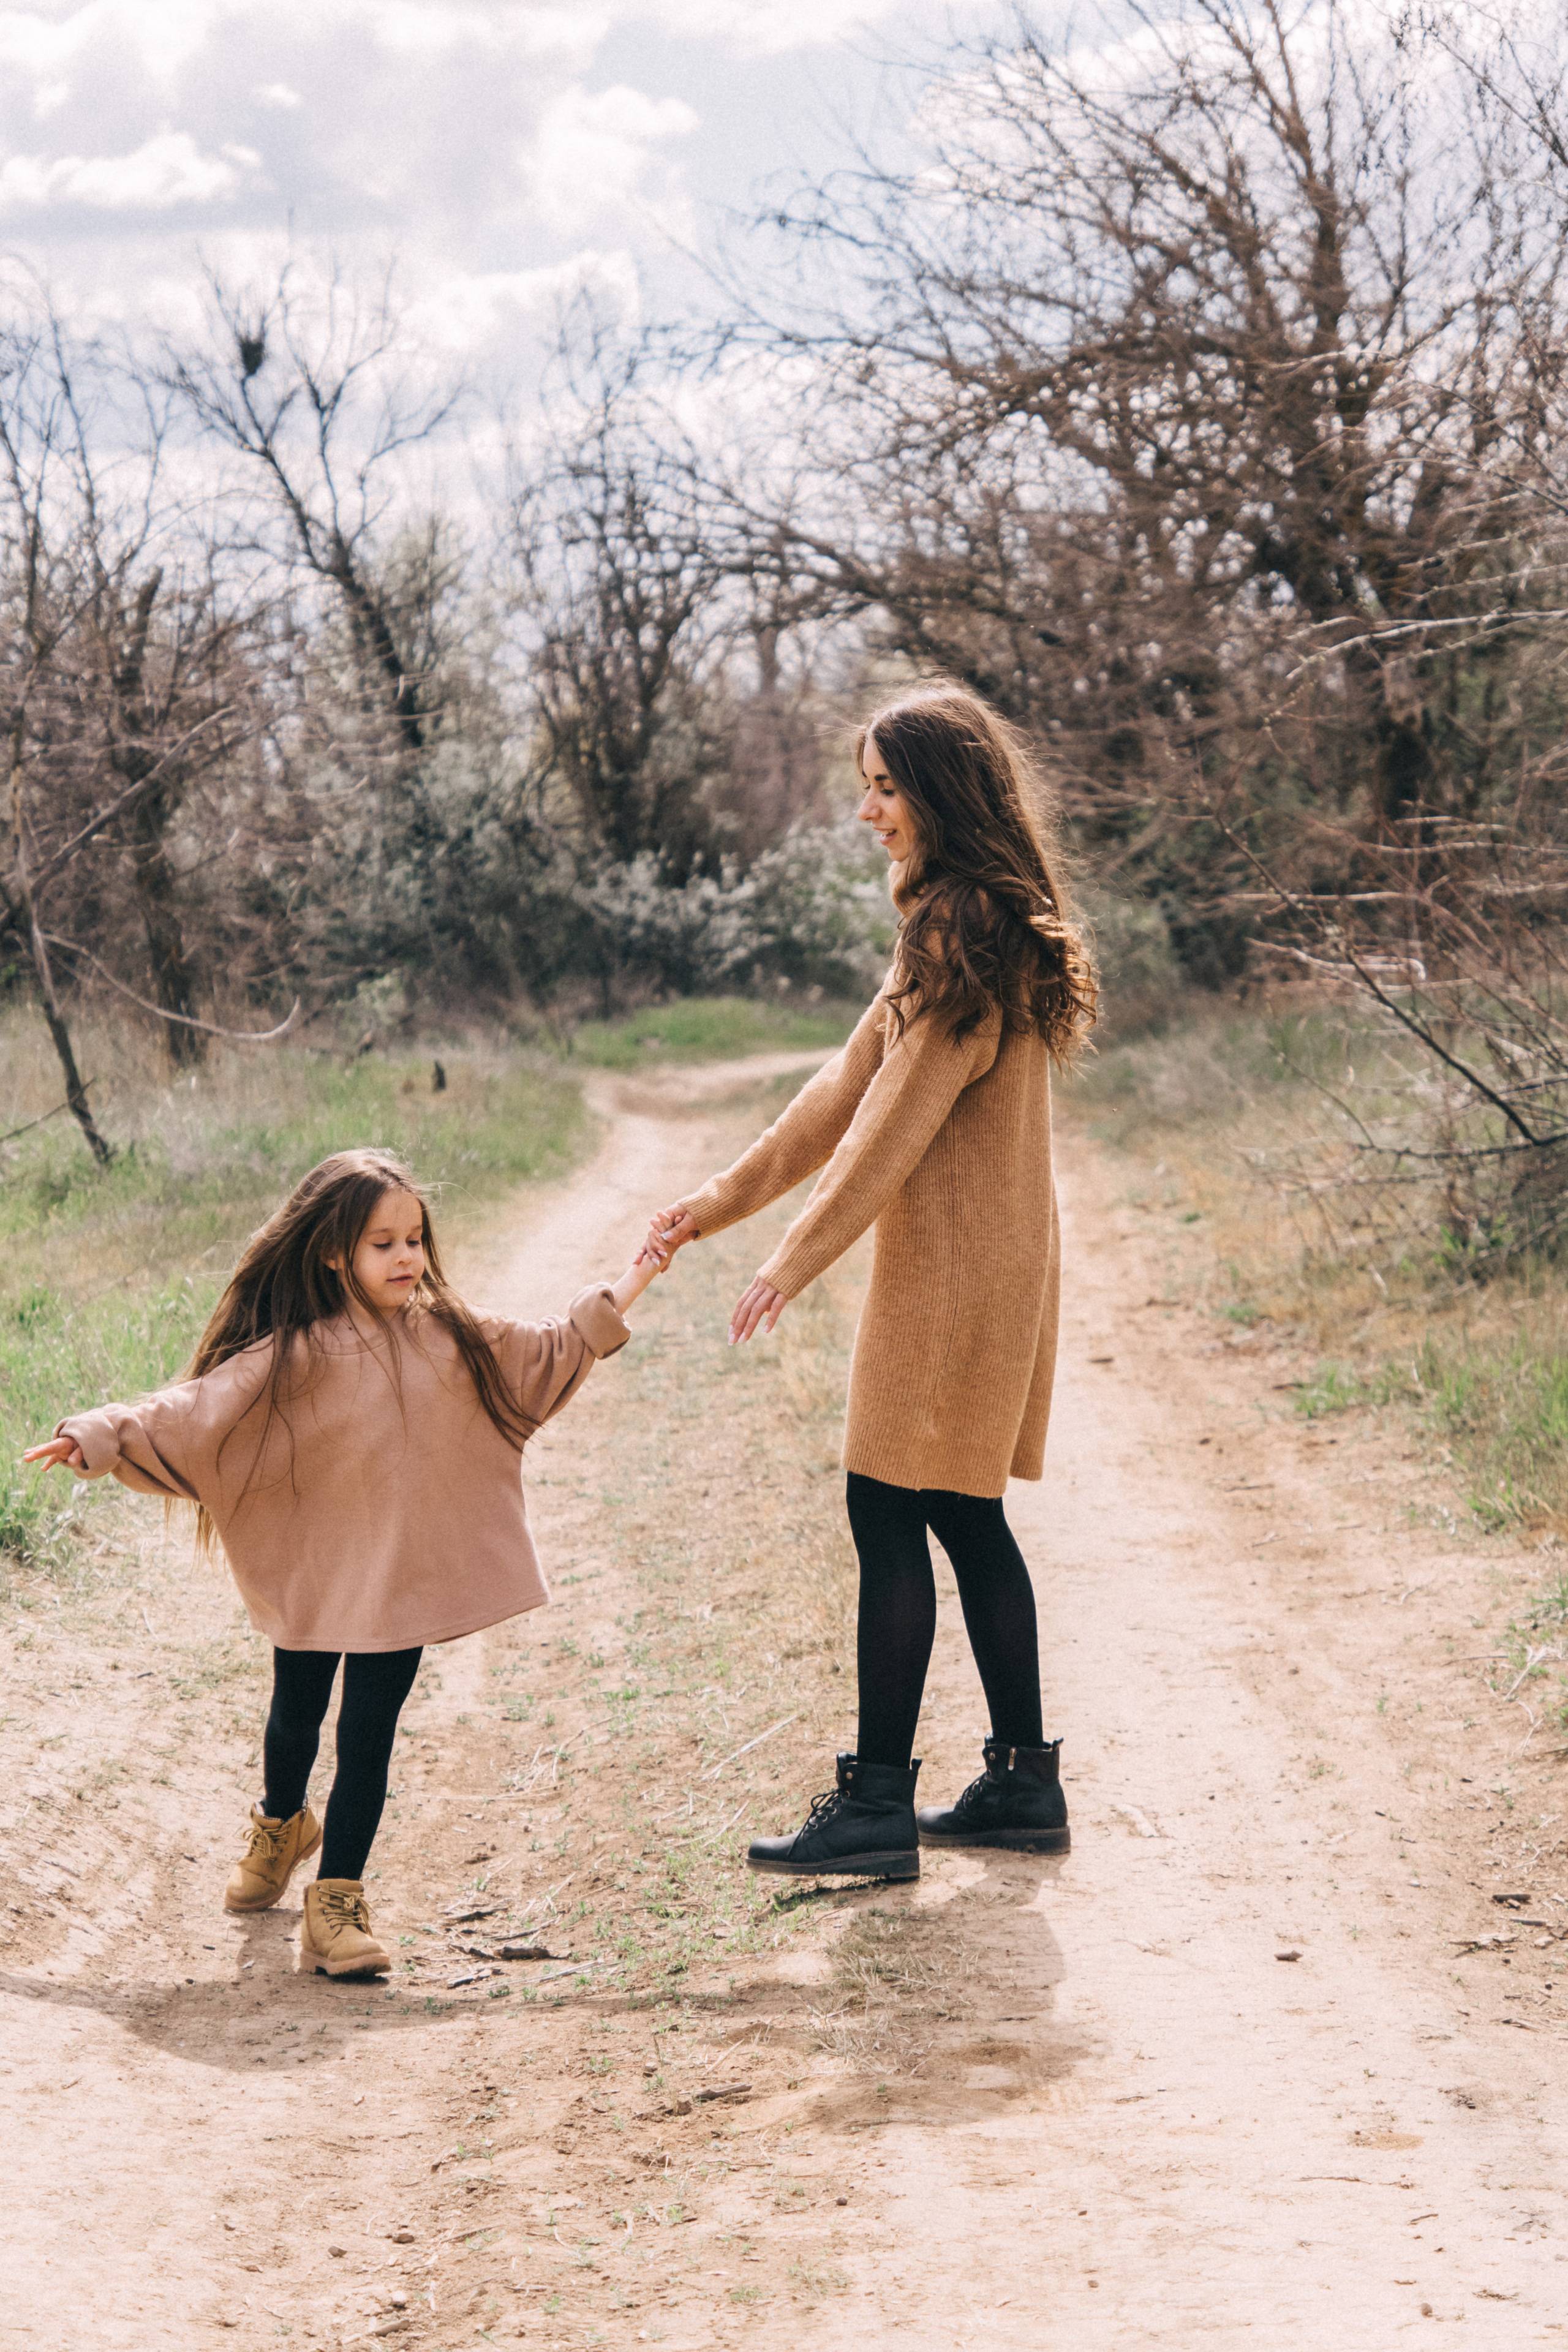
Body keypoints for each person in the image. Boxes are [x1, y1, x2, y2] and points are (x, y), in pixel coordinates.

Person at [646, 684, 1096, 1880]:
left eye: (885, 787)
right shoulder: (970, 922)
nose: (865, 811)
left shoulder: (961, 931)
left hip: (953, 1278)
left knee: (888, 1505)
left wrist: (788, 1260)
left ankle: (877, 1806)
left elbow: (887, 1129)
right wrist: (712, 1206)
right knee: (958, 1510)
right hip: (985, 1264)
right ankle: (1018, 1783)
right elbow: (839, 1090)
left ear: (940, 794)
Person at [24, 1147, 657, 1976]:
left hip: (400, 1585)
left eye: (414, 1239)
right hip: (318, 1580)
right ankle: (282, 1822)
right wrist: (98, 1436)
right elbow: (190, 1413)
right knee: (295, 1718)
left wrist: (636, 1277)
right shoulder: (291, 1355)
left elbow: (551, 1348)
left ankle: (336, 1902)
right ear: (334, 1253)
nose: (405, 1258)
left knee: (367, 1738)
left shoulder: (454, 1336)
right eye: (382, 1244)